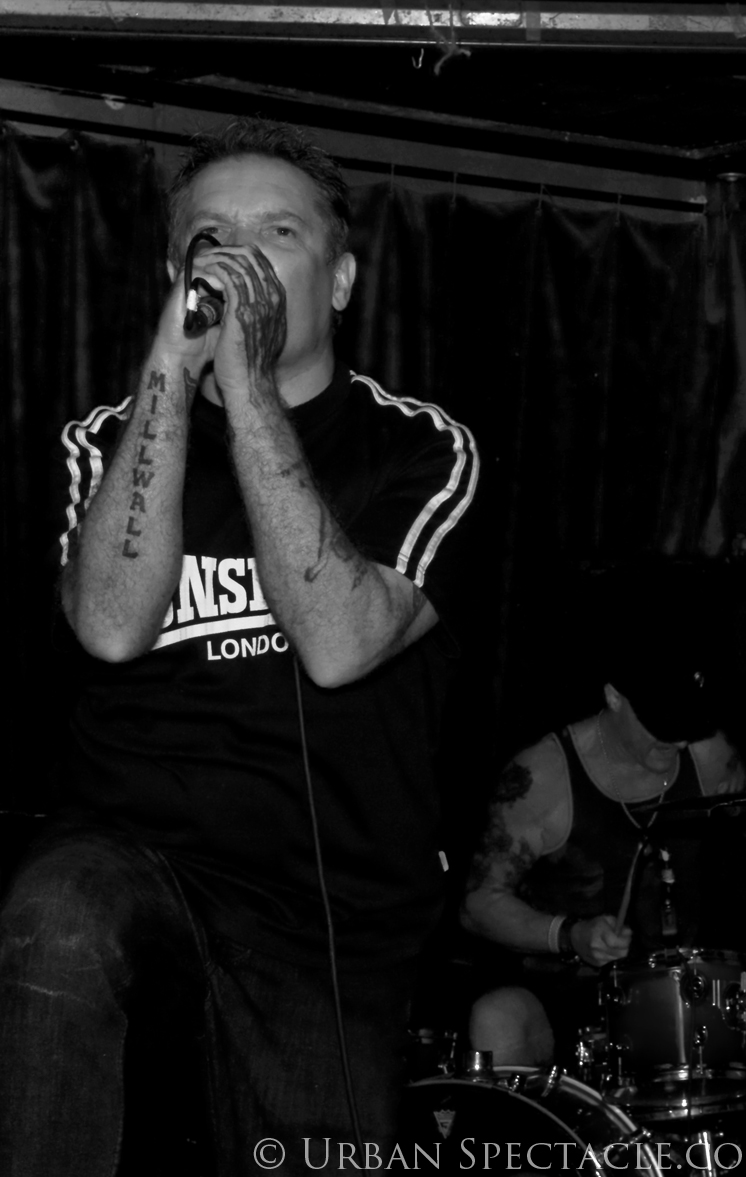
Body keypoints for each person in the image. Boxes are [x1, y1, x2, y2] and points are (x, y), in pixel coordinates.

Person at [0, 118, 479, 1176]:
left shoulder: (420, 447)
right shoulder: (107, 439)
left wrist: (251, 389)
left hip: (325, 916)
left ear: (341, 281)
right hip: (137, 860)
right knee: (55, 918)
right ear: (174, 271)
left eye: (278, 232)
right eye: (210, 236)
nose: (238, 258)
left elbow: (341, 645)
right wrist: (175, 374)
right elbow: (111, 627)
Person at [460, 644, 746, 1068]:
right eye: (661, 723)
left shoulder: (710, 754)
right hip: (564, 1000)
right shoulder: (542, 776)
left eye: (686, 722)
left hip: (682, 994)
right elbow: (478, 904)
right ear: (614, 697)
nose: (679, 739)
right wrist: (569, 935)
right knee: (496, 1018)